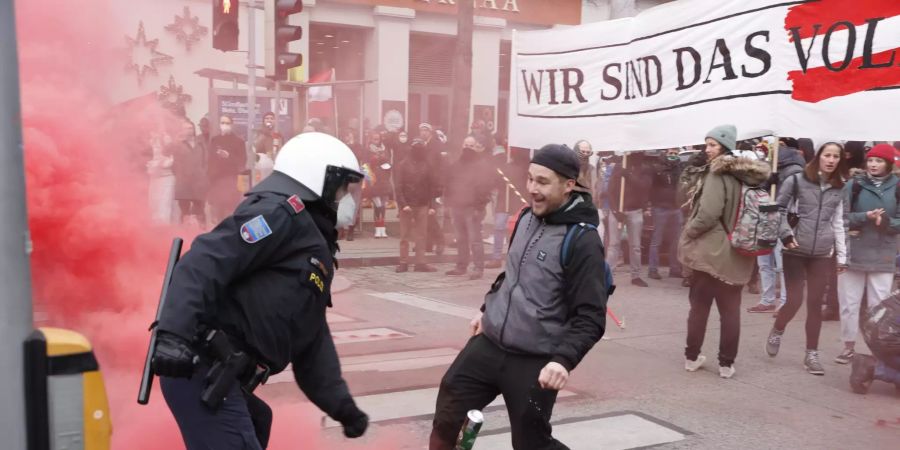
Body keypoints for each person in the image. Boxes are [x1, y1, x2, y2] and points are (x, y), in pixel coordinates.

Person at [151, 132, 369, 449]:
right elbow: (204, 262)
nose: (348, 198)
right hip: (200, 368)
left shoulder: (312, 244)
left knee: (259, 420)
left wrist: (343, 409)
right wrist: (172, 335)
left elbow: (312, 344)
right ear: (314, 180)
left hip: (226, 376)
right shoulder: (279, 214)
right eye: (341, 188)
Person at [430, 144, 608, 450]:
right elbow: (511, 276)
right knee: (448, 415)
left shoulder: (582, 240)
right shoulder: (525, 217)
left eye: (542, 182)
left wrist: (563, 361)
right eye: (530, 179)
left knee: (531, 443)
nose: (532, 190)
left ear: (568, 185)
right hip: (490, 344)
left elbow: (591, 316)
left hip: (535, 360)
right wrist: (486, 309)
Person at [679, 125, 770, 379]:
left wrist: (689, 232)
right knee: (730, 311)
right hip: (739, 251)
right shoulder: (748, 174)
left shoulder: (717, 173)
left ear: (725, 147)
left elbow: (708, 214)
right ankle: (726, 364)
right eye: (707, 144)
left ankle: (692, 356)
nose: (707, 150)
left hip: (710, 253)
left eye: (712, 145)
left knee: (699, 307)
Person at [766, 142, 848, 375]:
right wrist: (786, 235)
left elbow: (839, 222)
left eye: (835, 156)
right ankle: (778, 328)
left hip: (822, 252)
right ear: (818, 157)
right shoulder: (797, 180)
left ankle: (811, 354)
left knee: (814, 304)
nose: (831, 160)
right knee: (793, 301)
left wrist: (841, 256)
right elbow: (778, 210)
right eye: (827, 155)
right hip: (795, 248)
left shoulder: (840, 187)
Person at [836, 144, 900, 364]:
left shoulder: (898, 186)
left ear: (889, 164)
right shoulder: (854, 185)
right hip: (853, 250)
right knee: (849, 303)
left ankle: (877, 350)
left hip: (883, 252)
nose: (873, 164)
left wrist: (886, 222)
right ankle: (848, 346)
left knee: (880, 307)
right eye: (871, 160)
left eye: (879, 161)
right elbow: (840, 217)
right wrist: (865, 217)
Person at [746, 139, 806, 314]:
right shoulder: (765, 167)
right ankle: (767, 299)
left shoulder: (794, 171)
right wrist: (765, 181)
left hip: (782, 222)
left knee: (781, 265)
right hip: (764, 219)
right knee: (764, 263)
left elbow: (795, 200)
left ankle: (785, 302)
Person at [444, 135, 493, 280]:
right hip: (457, 206)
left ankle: (478, 268)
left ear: (475, 147)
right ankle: (461, 266)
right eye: (466, 144)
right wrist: (448, 203)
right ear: (462, 146)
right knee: (460, 239)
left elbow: (485, 188)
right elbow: (449, 184)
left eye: (471, 145)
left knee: (475, 239)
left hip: (472, 208)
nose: (467, 148)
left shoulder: (481, 166)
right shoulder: (456, 165)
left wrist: (479, 207)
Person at [607, 153, 651, 287]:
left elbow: (644, 187)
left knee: (635, 246)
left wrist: (629, 176)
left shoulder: (645, 169)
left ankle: (636, 276)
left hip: (635, 211)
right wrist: (615, 210)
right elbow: (610, 190)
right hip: (617, 211)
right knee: (613, 244)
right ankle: (607, 275)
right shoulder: (619, 167)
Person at [394, 139, 438, 273]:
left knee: (421, 235)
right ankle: (403, 262)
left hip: (423, 204)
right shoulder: (403, 165)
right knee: (404, 236)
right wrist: (403, 204)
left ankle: (420, 262)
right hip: (408, 205)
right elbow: (398, 186)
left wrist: (432, 205)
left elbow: (432, 186)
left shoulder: (427, 165)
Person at [648, 148, 683, 280]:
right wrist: (650, 204)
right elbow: (650, 187)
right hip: (660, 208)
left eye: (675, 153)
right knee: (657, 239)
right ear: (666, 153)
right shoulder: (657, 168)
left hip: (676, 208)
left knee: (676, 240)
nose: (673, 156)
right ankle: (652, 269)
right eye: (671, 153)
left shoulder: (679, 168)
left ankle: (674, 268)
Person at [208, 114, 247, 223]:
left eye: (227, 123)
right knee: (218, 210)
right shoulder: (215, 140)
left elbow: (242, 161)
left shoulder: (238, 141)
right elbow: (210, 160)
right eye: (222, 123)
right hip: (217, 179)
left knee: (230, 209)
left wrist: (228, 156)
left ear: (232, 125)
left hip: (231, 179)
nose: (224, 126)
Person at [170, 117, 208, 226]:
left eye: (191, 128)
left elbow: (205, 161)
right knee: (185, 212)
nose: (189, 130)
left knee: (200, 210)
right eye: (186, 128)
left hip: (199, 183)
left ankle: (202, 232)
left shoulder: (201, 143)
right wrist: (180, 174)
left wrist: (203, 174)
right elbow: (169, 155)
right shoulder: (178, 144)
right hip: (184, 183)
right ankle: (184, 233)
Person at [366, 130, 392, 238]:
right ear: (371, 139)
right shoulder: (367, 150)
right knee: (378, 205)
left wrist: (382, 160)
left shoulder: (385, 149)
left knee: (384, 206)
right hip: (374, 180)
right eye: (374, 138)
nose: (376, 140)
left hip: (384, 180)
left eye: (378, 137)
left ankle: (383, 228)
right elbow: (366, 165)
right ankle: (377, 228)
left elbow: (389, 163)